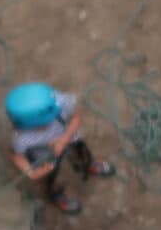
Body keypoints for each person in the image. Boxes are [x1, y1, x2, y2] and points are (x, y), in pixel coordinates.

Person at [6, 82, 115, 218]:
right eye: (45, 123)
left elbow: (76, 117)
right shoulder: (21, 138)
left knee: (81, 151)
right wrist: (31, 172)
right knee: (49, 175)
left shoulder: (59, 101)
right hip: (45, 155)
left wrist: (64, 139)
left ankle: (88, 165)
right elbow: (16, 155)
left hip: (70, 138)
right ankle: (55, 192)